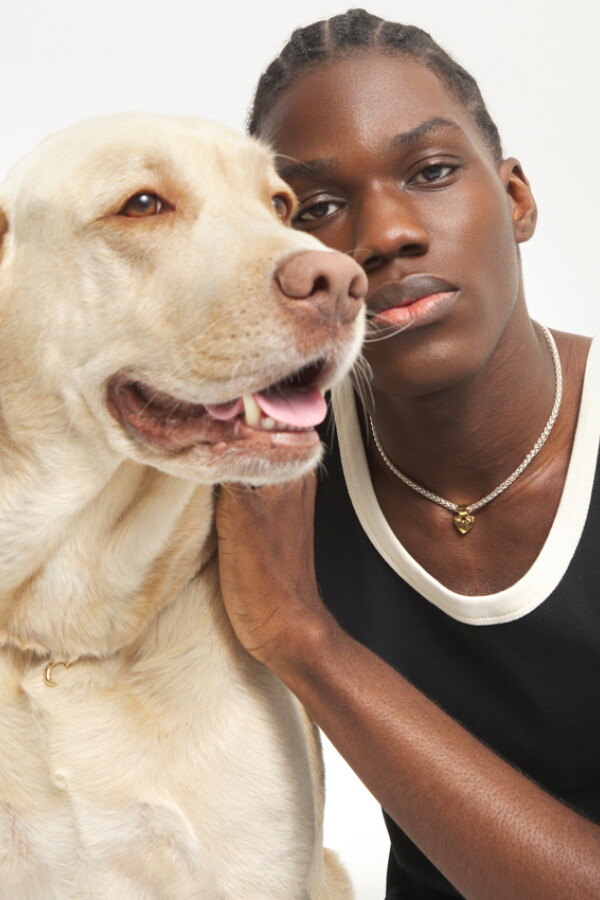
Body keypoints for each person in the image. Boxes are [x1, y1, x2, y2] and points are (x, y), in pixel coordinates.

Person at [215, 9, 600, 899]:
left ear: (515, 197)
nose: (382, 236)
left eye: (430, 172)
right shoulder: (267, 466)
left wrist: (305, 639)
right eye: (317, 209)